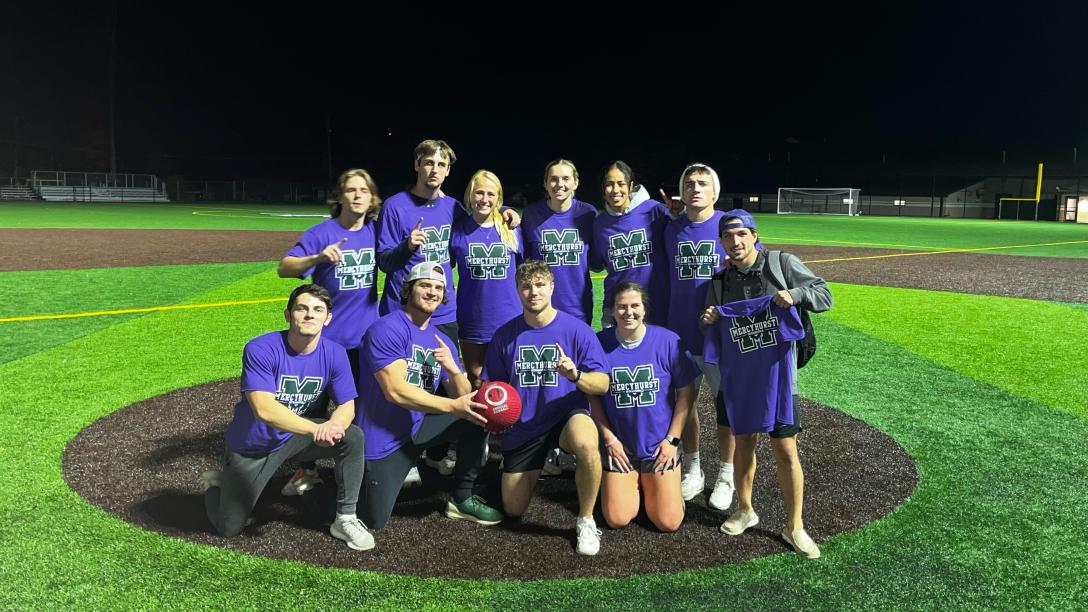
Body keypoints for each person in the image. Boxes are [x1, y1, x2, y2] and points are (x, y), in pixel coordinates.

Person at [200, 284, 373, 551]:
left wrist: (335, 426)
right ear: (287, 314)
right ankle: (215, 485)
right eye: (301, 308)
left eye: (318, 310)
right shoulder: (261, 348)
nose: (309, 315)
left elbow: (347, 404)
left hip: (295, 437)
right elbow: (264, 409)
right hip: (253, 447)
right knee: (229, 527)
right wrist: (316, 431)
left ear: (327, 318)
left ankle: (345, 518)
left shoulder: (335, 353)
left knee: (352, 437)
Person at [702, 209, 832, 559]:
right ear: (721, 242)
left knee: (785, 449)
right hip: (738, 376)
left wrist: (795, 295)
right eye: (728, 237)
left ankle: (795, 526)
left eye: (742, 234)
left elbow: (824, 294)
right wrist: (710, 318)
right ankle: (745, 509)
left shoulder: (781, 263)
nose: (735, 242)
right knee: (743, 443)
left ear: (754, 236)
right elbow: (711, 325)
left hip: (778, 377)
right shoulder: (719, 281)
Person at [356, 261, 504, 530]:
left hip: (418, 427)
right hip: (383, 438)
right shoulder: (387, 328)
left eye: (438, 288)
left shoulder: (442, 341)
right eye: (425, 285)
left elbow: (465, 398)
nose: (432, 292)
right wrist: (452, 405)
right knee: (373, 519)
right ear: (409, 289)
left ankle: (461, 498)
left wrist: (453, 370)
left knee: (478, 413)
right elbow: (395, 391)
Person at [482, 260, 610, 555]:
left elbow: (602, 384)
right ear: (517, 290)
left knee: (587, 444)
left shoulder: (576, 330)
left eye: (540, 285)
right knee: (513, 510)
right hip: (525, 423)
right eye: (526, 286)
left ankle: (586, 519)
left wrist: (575, 375)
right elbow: (493, 388)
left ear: (552, 287)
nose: (533, 292)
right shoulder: (505, 335)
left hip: (565, 417)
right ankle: (538, 461)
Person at [276, 168, 381, 496]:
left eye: (364, 190)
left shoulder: (377, 232)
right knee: (317, 404)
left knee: (361, 403)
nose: (358, 195)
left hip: (366, 338)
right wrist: (318, 257)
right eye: (351, 190)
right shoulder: (323, 232)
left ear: (372, 197)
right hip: (327, 340)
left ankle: (358, 464)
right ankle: (306, 470)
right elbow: (284, 267)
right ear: (340, 197)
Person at [375, 139, 520, 347]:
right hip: (402, 312)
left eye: (441, 165)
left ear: (448, 171)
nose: (435, 170)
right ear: (417, 165)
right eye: (428, 163)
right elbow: (384, 263)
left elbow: (480, 215)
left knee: (446, 378)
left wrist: (505, 209)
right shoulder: (395, 206)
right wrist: (407, 247)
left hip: (443, 313)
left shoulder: (453, 208)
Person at [588, 282, 697, 532]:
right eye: (621, 307)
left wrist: (672, 441)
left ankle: (657, 482)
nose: (629, 312)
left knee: (668, 522)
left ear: (644, 309)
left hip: (658, 446)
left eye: (635, 306)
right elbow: (591, 397)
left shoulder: (668, 341)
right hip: (621, 446)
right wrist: (609, 440)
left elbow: (686, 393)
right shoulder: (598, 344)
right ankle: (636, 482)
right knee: (617, 518)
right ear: (612, 311)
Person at [663, 163, 735, 506]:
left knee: (726, 408)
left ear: (714, 190)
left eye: (702, 183)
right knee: (684, 405)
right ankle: (693, 468)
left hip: (720, 337)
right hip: (680, 332)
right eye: (689, 183)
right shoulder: (670, 229)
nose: (695, 188)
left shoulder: (729, 226)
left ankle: (726, 474)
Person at [449, 170, 523, 390]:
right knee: (477, 379)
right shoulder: (458, 229)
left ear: (498, 198)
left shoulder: (512, 229)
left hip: (509, 316)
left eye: (490, 194)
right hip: (473, 317)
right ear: (470, 195)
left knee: (510, 377)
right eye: (479, 192)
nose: (484, 199)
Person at [590, 161, 671, 328]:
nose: (615, 190)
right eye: (609, 184)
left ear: (631, 185)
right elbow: (597, 264)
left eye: (621, 184)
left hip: (654, 305)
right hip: (616, 307)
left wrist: (680, 213)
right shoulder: (600, 223)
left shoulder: (655, 211)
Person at [520, 159, 597, 325]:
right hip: (540, 305)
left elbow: (597, 260)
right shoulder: (531, 214)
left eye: (566, 178)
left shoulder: (587, 214)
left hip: (579, 307)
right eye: (553, 179)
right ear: (545, 183)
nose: (559, 184)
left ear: (576, 183)